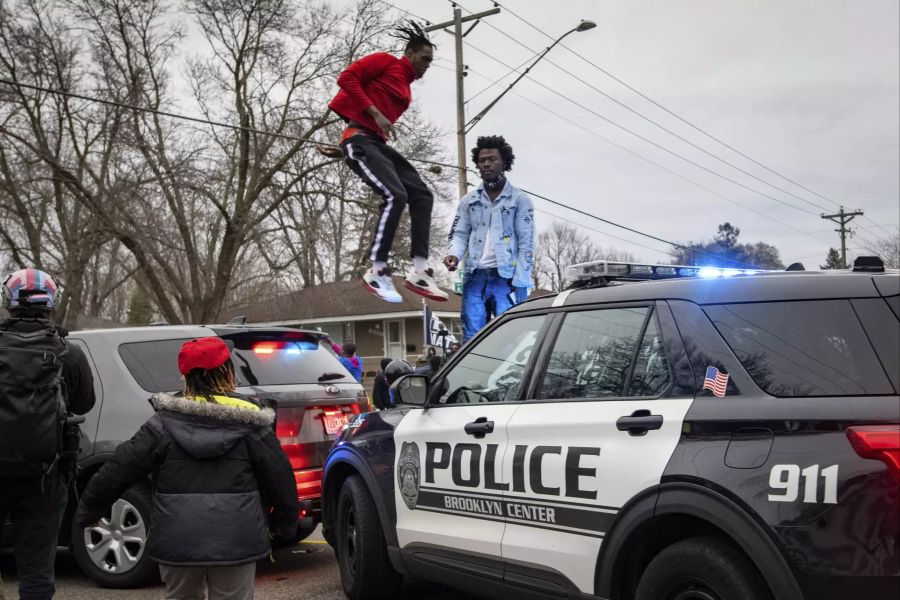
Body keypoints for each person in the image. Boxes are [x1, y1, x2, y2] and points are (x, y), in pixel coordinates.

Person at [76, 337, 298, 600]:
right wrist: (284, 524)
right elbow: (280, 478)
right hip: (236, 541)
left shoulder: (161, 425)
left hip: (177, 542)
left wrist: (89, 511)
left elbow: (118, 469)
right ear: (228, 372)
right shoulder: (252, 424)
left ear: (185, 377)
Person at [324, 22, 448, 304]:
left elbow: (370, 130)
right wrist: (374, 114)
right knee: (395, 194)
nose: (427, 66)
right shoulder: (386, 62)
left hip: (373, 144)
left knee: (422, 194)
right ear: (409, 53)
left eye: (430, 62)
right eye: (424, 59)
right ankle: (377, 269)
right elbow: (347, 79)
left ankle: (419, 270)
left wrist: (345, 150)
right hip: (361, 139)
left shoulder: (406, 88)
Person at [0, 268, 95, 600]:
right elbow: (85, 404)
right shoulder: (69, 352)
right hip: (48, 473)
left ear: (8, 303)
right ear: (50, 303)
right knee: (37, 571)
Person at [445, 135, 535, 342]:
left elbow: (526, 244)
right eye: (482, 160)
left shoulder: (520, 200)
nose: (486, 164)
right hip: (474, 275)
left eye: (492, 159)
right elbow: (459, 233)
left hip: (507, 278)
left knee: (511, 336)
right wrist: (453, 254)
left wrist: (520, 283)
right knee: (472, 337)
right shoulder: (469, 201)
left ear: (504, 162)